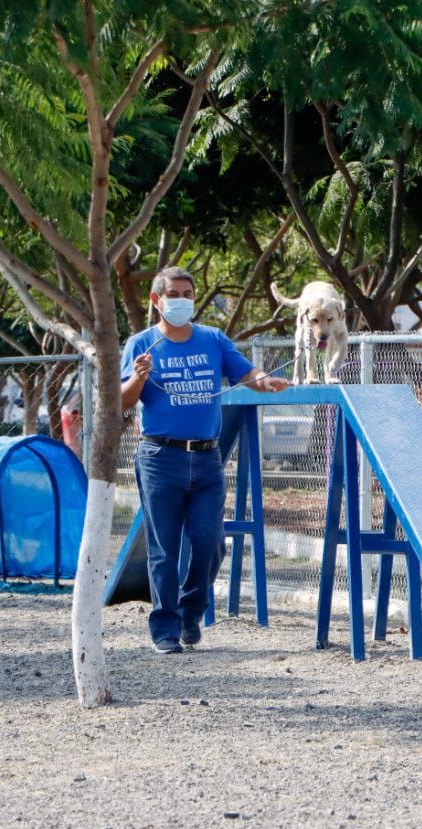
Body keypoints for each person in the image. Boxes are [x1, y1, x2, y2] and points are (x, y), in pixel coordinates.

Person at [120, 266, 290, 654]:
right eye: (173, 294)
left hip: (207, 458)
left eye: (187, 294)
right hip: (159, 458)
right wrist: (139, 378)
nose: (182, 301)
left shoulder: (213, 339)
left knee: (209, 543)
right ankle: (165, 629)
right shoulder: (142, 344)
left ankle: (190, 613)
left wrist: (266, 381)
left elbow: (246, 373)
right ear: (156, 300)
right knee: (164, 549)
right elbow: (122, 401)